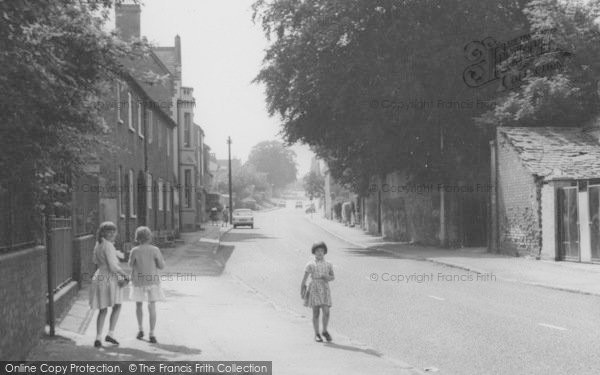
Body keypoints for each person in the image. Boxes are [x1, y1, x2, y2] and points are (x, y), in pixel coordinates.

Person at [89, 221, 129, 348]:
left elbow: (95, 260)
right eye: (108, 231)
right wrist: (125, 275)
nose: (112, 234)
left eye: (113, 231)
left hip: (100, 276)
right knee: (117, 305)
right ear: (103, 232)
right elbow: (113, 266)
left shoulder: (98, 244)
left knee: (103, 308)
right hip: (110, 278)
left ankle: (98, 337)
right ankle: (110, 334)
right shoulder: (109, 246)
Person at [129, 226, 166, 344]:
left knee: (138, 304)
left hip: (138, 280)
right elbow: (161, 266)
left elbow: (130, 265)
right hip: (152, 281)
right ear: (149, 237)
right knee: (152, 306)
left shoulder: (134, 250)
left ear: (137, 238)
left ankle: (140, 329)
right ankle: (152, 333)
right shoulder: (155, 250)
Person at [300, 241, 335, 342]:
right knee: (316, 313)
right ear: (314, 252)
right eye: (317, 251)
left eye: (322, 251)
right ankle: (317, 334)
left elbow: (333, 277)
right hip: (314, 288)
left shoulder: (328, 264)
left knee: (326, 312)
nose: (320, 253)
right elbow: (304, 278)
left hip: (325, 288)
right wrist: (302, 289)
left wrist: (327, 277)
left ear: (324, 252)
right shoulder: (310, 264)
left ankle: (324, 330)